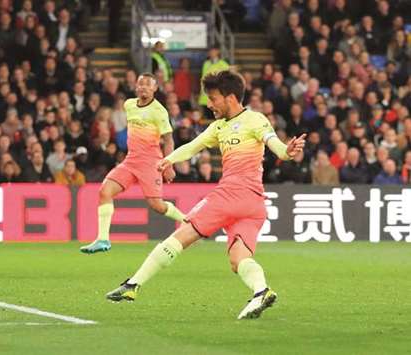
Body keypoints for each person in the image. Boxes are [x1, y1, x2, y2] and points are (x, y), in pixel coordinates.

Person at [106, 70, 306, 320]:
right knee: (238, 259)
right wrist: (167, 159)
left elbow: (276, 146)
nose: (209, 104)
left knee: (183, 233)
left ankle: (133, 285)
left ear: (230, 97)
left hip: (231, 195)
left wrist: (287, 151)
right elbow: (192, 147)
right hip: (254, 204)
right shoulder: (219, 127)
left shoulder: (254, 119)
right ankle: (261, 291)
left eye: (213, 98)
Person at [80, 73, 185, 254]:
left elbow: (168, 140)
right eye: (140, 84)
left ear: (155, 88)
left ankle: (187, 221)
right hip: (131, 160)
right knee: (105, 191)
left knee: (157, 206)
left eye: (148, 85)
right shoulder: (129, 105)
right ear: (136, 87)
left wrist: (168, 165)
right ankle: (102, 239)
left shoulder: (159, 111)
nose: (143, 87)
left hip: (150, 163)